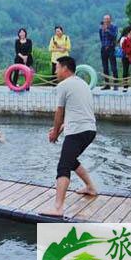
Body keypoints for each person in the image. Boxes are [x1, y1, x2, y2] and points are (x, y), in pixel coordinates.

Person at [43, 56, 97, 216]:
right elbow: (76, 111)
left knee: (63, 166)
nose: (55, 70)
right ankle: (90, 187)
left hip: (77, 131)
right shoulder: (82, 84)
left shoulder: (64, 85)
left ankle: (58, 208)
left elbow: (60, 111)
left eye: (57, 67)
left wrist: (54, 131)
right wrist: (59, 130)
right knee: (71, 160)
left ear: (65, 68)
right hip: (89, 130)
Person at [99, 14, 119, 90]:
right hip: (104, 49)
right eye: (105, 19)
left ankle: (115, 84)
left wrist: (107, 30)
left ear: (110, 20)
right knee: (105, 67)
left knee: (113, 67)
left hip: (111, 48)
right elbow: (101, 38)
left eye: (107, 19)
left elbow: (114, 37)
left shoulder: (114, 27)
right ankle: (107, 85)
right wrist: (104, 46)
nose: (106, 20)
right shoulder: (101, 28)